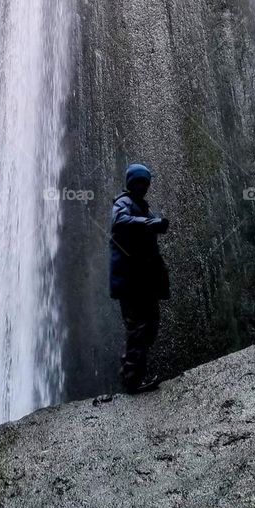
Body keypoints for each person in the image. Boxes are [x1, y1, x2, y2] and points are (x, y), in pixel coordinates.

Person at [109, 162, 169, 393]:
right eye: (140, 182)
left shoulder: (142, 207)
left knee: (151, 325)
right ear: (132, 183)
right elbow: (120, 221)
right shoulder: (123, 203)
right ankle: (131, 380)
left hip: (144, 281)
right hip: (130, 282)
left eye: (146, 183)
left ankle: (133, 372)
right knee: (137, 328)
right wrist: (151, 223)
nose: (144, 186)